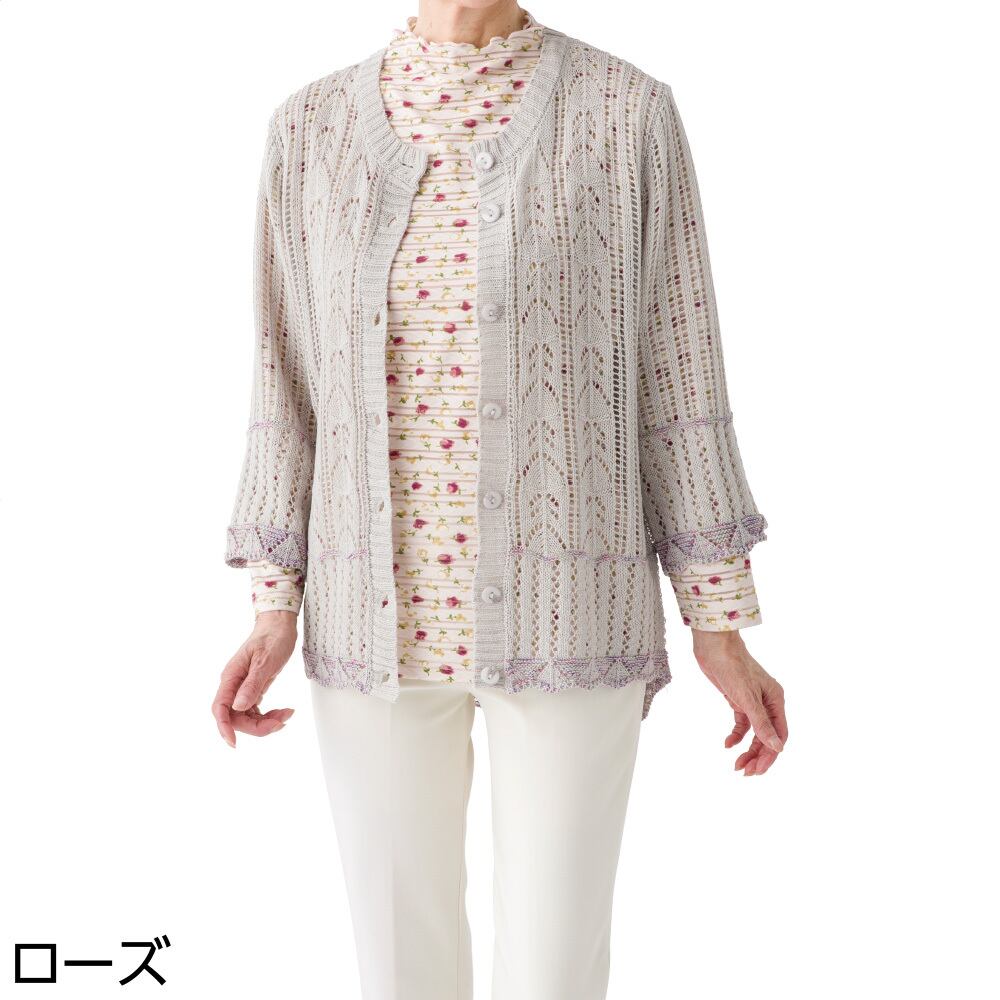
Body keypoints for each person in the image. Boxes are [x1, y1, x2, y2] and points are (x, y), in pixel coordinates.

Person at [212, 4, 788, 998]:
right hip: (368, 626)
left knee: (554, 969)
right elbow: (286, 384)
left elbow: (678, 374)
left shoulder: (626, 113)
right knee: (398, 971)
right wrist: (273, 605)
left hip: (572, 615)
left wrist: (718, 620)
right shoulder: (308, 129)